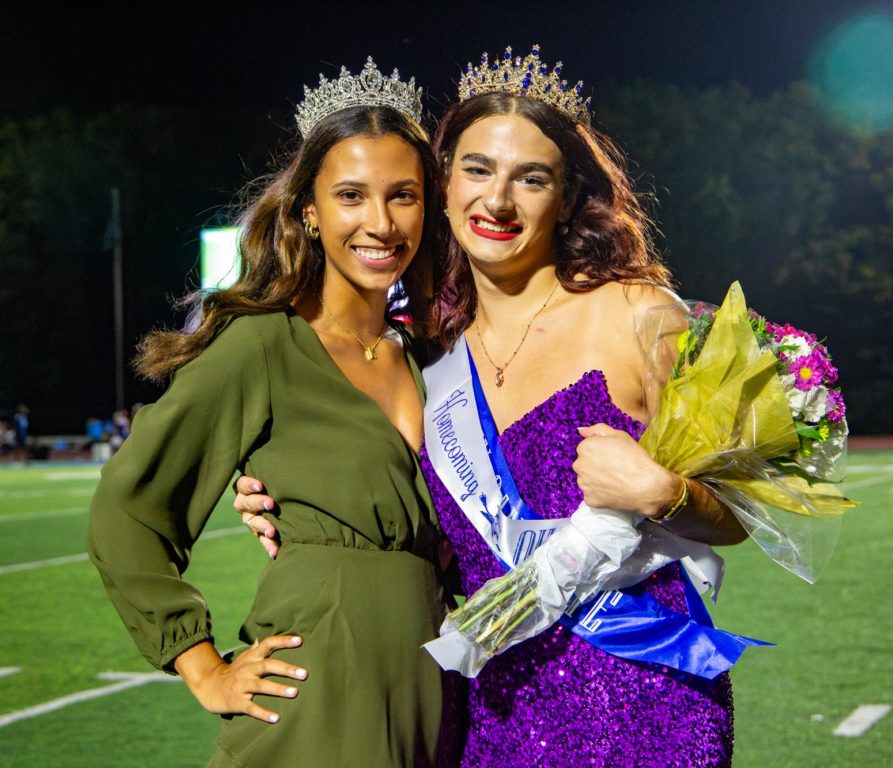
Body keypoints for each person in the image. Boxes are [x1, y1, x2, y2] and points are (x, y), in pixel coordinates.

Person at [237, 47, 747, 766]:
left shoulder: (639, 315)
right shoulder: (425, 359)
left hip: (645, 701)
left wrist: (664, 493)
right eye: (476, 170)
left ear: (567, 197)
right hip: (490, 704)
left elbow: (734, 518)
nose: (497, 201)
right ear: (443, 188)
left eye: (530, 178)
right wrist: (283, 495)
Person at [88, 58, 457, 767]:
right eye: (351, 195)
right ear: (310, 212)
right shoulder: (261, 345)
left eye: (402, 195)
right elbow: (128, 511)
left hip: (430, 692)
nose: (379, 222)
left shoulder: (428, 358)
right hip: (315, 692)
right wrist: (203, 668)